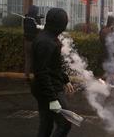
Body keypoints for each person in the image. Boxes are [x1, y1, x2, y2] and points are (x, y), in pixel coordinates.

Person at [31, 8, 74, 137]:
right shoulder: (46, 42)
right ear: (60, 24)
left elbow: (54, 65)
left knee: (46, 124)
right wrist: (52, 99)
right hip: (48, 90)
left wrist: (65, 79)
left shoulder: (50, 37)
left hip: (47, 87)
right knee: (65, 123)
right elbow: (42, 72)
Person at [23, 5, 43, 80]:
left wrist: (38, 18)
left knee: (28, 59)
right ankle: (36, 75)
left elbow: (30, 22)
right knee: (36, 59)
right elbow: (39, 29)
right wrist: (39, 19)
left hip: (26, 42)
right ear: (35, 11)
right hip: (34, 42)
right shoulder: (36, 19)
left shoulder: (25, 18)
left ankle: (26, 75)